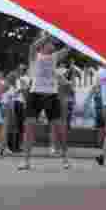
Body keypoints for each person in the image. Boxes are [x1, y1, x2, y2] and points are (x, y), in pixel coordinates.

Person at [21, 34, 72, 170]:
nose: (54, 46)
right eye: (51, 44)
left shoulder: (55, 57)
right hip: (35, 94)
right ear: (44, 45)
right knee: (29, 127)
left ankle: (65, 158)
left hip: (51, 95)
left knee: (59, 129)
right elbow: (32, 46)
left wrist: (65, 34)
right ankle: (26, 161)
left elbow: (68, 48)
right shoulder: (35, 56)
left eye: (53, 44)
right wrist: (48, 35)